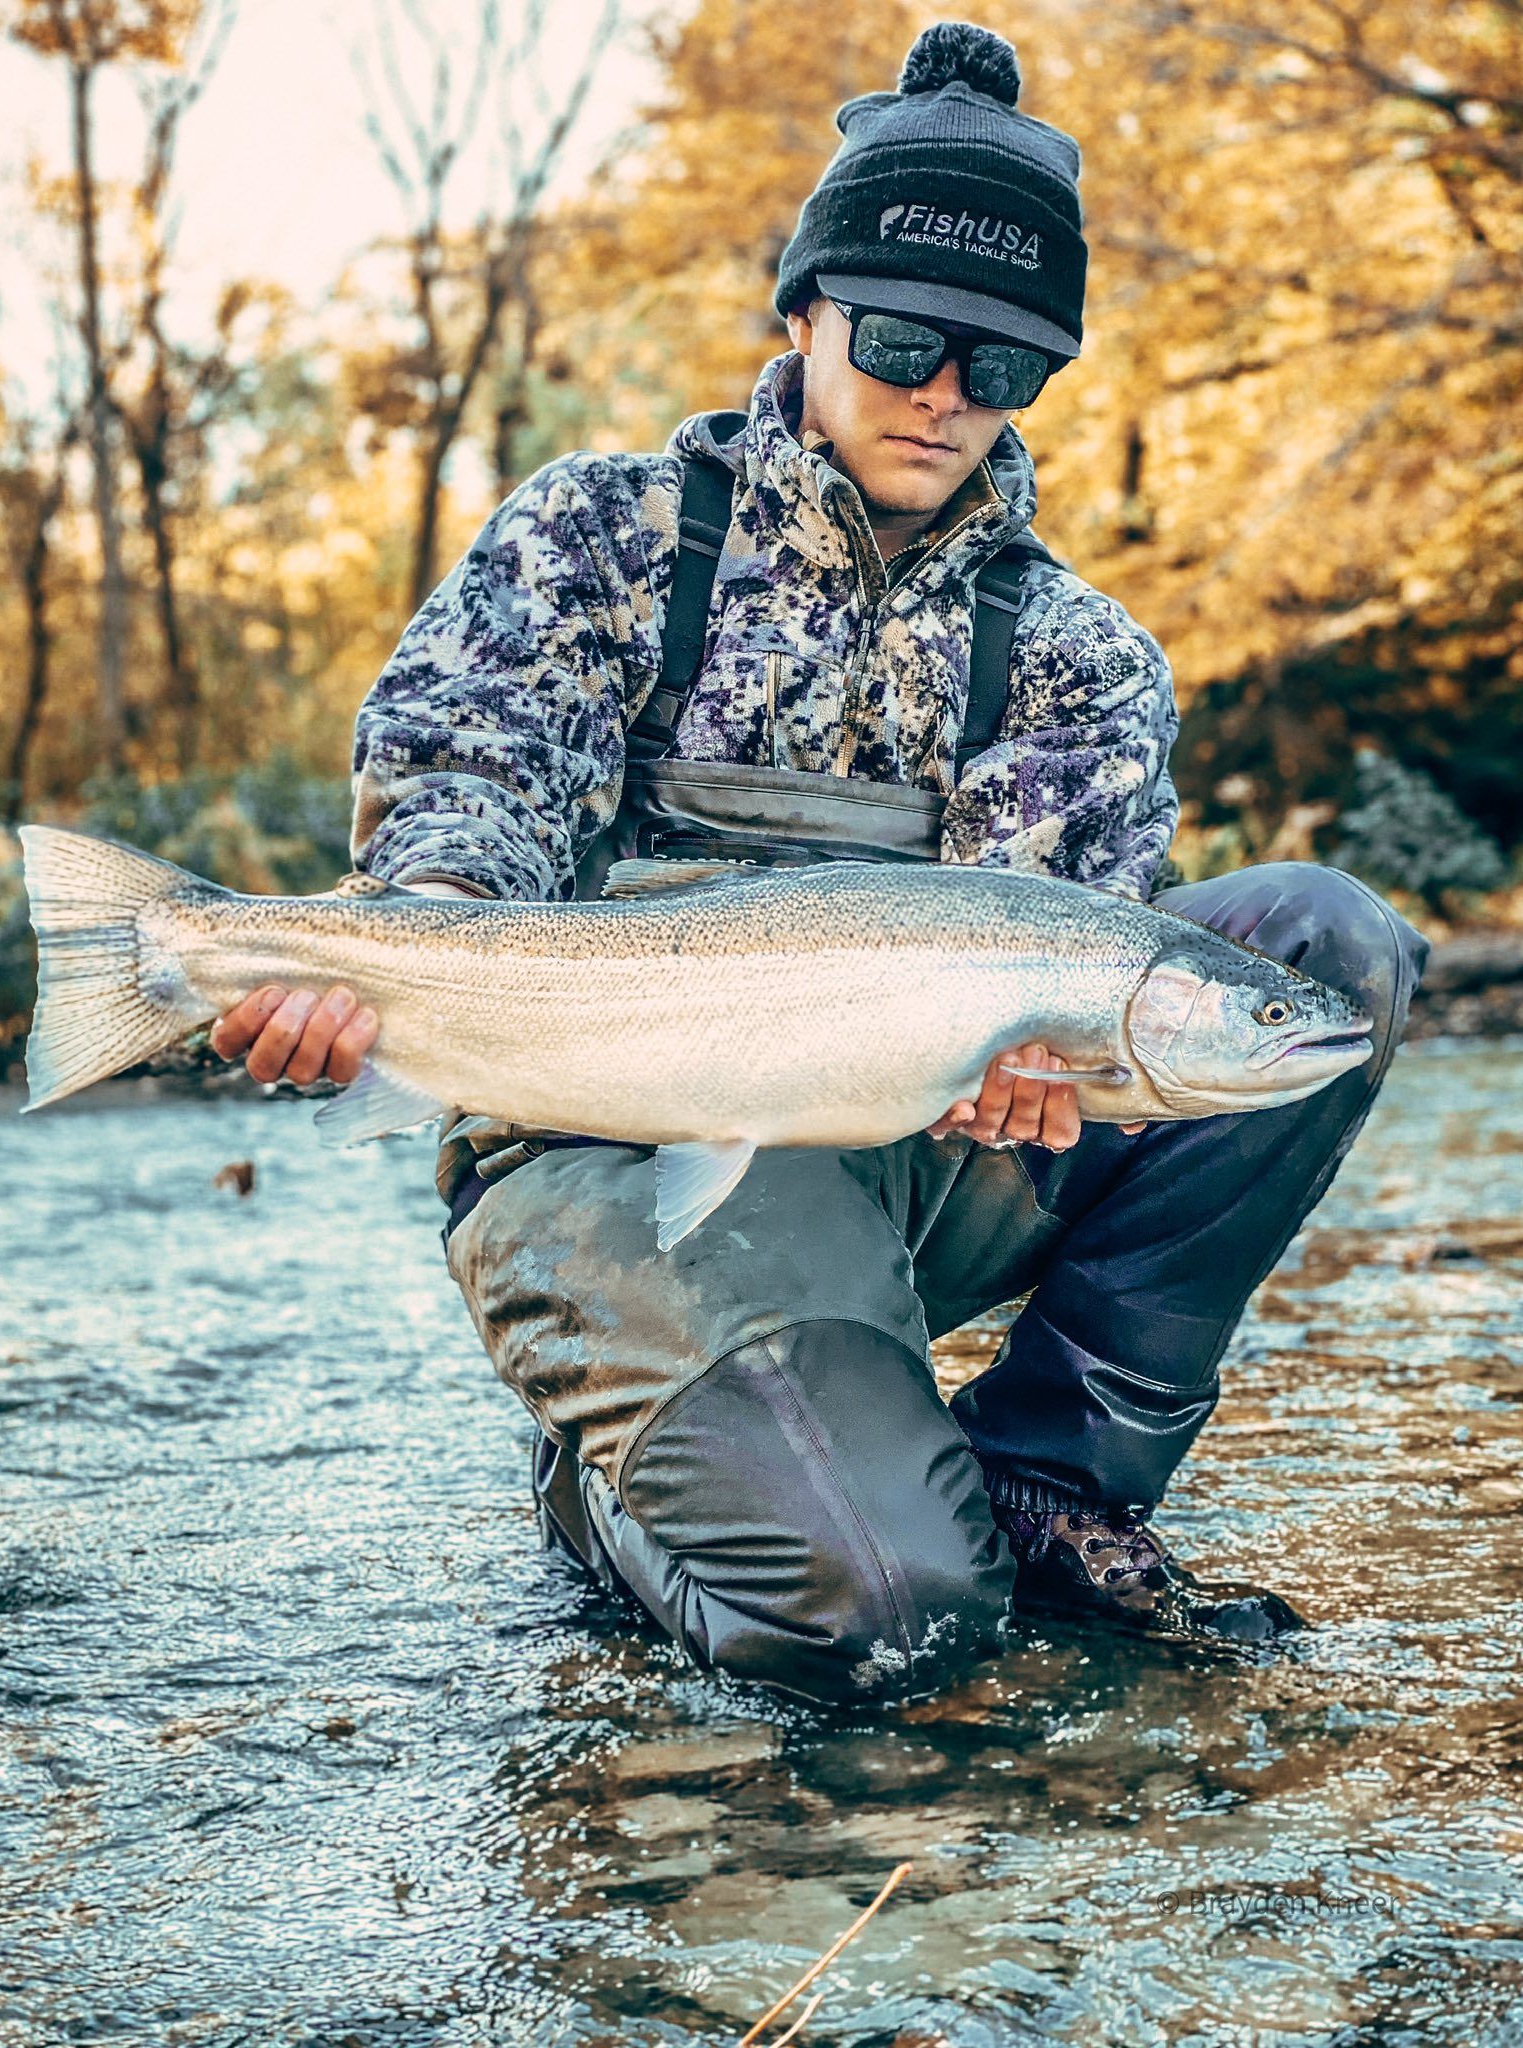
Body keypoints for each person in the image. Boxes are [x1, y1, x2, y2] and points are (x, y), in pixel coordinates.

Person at [210, 21, 1426, 1705]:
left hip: (912, 1144)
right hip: (604, 1143)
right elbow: (469, 782)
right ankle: (615, 1489)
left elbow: (1052, 929)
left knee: (1324, 945)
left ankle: (1053, 1477)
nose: (946, 394)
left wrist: (1036, 1071)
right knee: (888, 1616)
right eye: (905, 339)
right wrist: (400, 951)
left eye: (1002, 365)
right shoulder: (605, 536)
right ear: (804, 314)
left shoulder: (1081, 654)